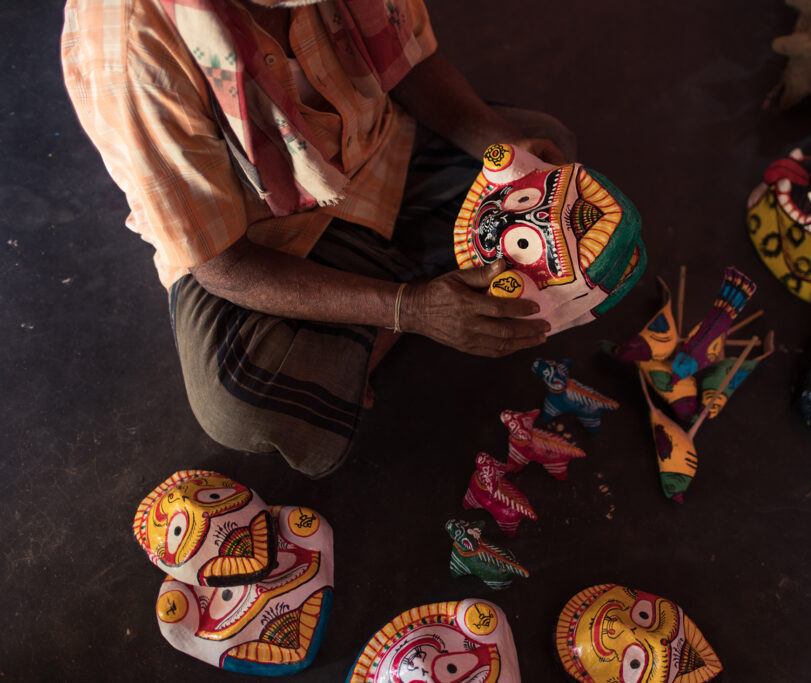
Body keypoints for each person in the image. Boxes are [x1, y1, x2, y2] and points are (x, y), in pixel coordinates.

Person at [61, 0, 576, 477]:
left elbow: (409, 63)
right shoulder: (134, 44)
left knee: (547, 156)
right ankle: (424, 282)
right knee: (242, 402)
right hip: (271, 234)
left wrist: (504, 147)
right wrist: (411, 309)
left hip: (381, 144)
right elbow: (223, 264)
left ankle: (377, 316)